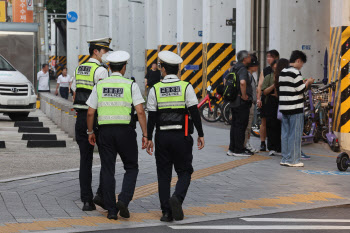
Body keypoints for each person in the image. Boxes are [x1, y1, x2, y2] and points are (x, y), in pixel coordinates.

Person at [86, 51, 148, 220]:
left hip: (105, 132)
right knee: (131, 167)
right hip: (126, 132)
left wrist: (90, 132)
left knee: (108, 170)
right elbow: (140, 112)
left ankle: (112, 211)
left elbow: (90, 113)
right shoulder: (130, 85)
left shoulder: (100, 85)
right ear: (124, 68)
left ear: (108, 67)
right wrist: (145, 134)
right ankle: (124, 199)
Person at [146, 51, 205, 222]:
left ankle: (166, 212)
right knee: (185, 171)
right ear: (178, 70)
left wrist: (148, 137)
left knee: (163, 175)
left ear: (163, 69)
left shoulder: (155, 89)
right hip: (182, 136)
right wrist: (201, 134)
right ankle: (177, 198)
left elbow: (152, 116)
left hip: (162, 137)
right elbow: (194, 112)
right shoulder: (186, 87)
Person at [71, 37, 112, 211]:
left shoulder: (79, 68)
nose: (106, 55)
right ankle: (101, 195)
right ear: (96, 51)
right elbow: (103, 96)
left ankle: (86, 201)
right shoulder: (101, 71)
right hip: (96, 119)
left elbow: (74, 91)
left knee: (85, 160)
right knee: (106, 158)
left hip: (81, 118)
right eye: (105, 51)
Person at [279, 50, 314, 167]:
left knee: (285, 133)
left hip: (284, 107)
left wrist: (302, 83)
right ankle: (293, 160)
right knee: (295, 134)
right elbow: (300, 89)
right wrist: (308, 82)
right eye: (302, 63)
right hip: (295, 108)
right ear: (298, 60)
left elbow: (290, 87)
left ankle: (285, 158)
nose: (301, 66)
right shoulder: (296, 72)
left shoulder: (283, 71)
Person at [226, 50, 252, 157]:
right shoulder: (242, 69)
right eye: (249, 56)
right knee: (241, 125)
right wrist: (244, 95)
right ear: (245, 59)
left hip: (233, 101)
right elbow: (242, 82)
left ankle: (232, 148)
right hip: (241, 102)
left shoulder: (234, 67)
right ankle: (238, 150)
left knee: (235, 126)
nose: (251, 58)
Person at [262, 59, 288, 156]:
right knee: (271, 125)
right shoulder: (269, 77)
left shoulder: (285, 76)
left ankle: (280, 147)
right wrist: (274, 85)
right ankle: (272, 147)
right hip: (271, 103)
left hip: (281, 102)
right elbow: (264, 91)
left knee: (281, 126)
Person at [257, 50, 279, 151]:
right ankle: (262, 143)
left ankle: (275, 143)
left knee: (275, 122)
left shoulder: (281, 69)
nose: (268, 59)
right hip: (266, 99)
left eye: (271, 57)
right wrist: (258, 99)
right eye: (267, 57)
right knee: (264, 121)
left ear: (276, 58)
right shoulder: (265, 71)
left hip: (277, 100)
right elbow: (260, 85)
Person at [244, 54, 259, 153]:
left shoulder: (249, 75)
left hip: (251, 103)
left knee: (249, 125)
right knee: (247, 125)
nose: (257, 67)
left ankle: (246, 143)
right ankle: (245, 144)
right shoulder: (248, 75)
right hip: (248, 104)